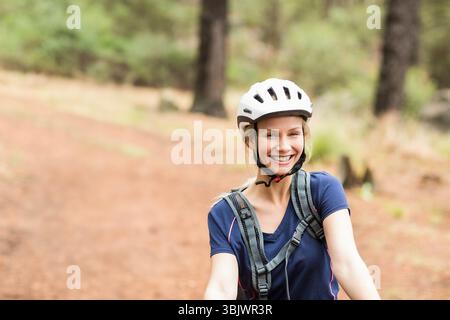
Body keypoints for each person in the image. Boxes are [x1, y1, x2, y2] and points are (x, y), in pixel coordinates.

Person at [204, 78, 380, 300]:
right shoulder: (225, 214)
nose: (284, 146)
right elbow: (221, 287)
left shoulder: (323, 191)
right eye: (270, 135)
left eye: (294, 134)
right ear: (250, 140)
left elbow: (347, 264)